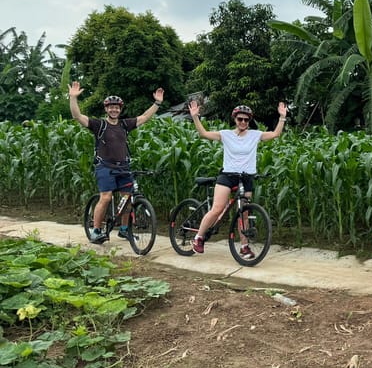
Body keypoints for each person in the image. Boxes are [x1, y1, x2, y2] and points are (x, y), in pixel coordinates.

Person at [188, 100, 287, 258]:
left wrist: (282, 117)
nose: (242, 122)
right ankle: (198, 238)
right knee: (218, 208)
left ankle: (244, 246)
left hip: (246, 178)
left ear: (249, 121)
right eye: (240, 119)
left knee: (244, 213)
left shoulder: (255, 135)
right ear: (235, 119)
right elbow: (204, 134)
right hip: (228, 176)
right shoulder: (226, 134)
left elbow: (275, 134)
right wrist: (195, 117)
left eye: (246, 119)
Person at [69, 81, 165, 244]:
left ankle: (124, 229)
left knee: (127, 199)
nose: (114, 110)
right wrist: (73, 98)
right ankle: (96, 230)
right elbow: (77, 116)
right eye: (111, 107)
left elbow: (145, 117)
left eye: (117, 107)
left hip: (123, 168)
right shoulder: (99, 125)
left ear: (120, 109)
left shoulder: (124, 125)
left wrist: (157, 102)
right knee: (106, 198)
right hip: (104, 167)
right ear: (106, 109)